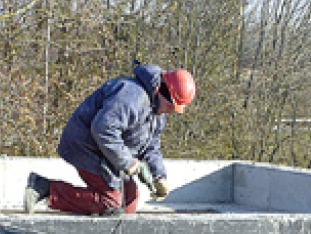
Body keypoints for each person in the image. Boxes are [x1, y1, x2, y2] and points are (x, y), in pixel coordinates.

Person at [23, 62, 195, 216]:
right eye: (172, 105)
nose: (172, 111)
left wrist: (159, 176)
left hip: (107, 152)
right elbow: (103, 129)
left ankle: (110, 231)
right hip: (85, 146)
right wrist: (127, 162)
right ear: (160, 90)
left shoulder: (157, 112)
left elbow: (152, 145)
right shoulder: (131, 96)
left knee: (129, 199)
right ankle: (45, 188)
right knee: (111, 202)